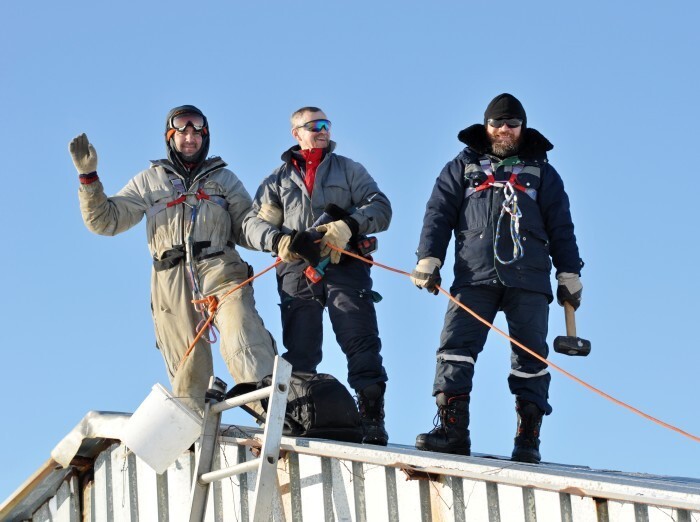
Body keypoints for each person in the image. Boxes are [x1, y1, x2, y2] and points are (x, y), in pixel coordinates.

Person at [68, 105, 277, 415]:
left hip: (220, 270)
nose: (189, 138)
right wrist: (88, 178)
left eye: (196, 132)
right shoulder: (150, 181)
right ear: (170, 137)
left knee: (241, 333)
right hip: (170, 281)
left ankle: (271, 412)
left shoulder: (224, 179)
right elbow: (105, 220)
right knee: (186, 366)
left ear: (205, 137)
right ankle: (193, 435)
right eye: (182, 132)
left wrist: (276, 236)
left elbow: (247, 225)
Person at [410, 93, 583, 463]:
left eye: (512, 124)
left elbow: (562, 227)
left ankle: (528, 438)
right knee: (455, 349)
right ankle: (453, 430)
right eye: (498, 123)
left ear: (522, 128)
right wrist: (429, 257)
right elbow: (438, 213)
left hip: (529, 280)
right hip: (474, 277)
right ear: (486, 127)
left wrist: (569, 272)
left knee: (531, 358)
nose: (505, 129)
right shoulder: (461, 167)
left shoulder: (543, 174)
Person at [242, 107, 392, 445]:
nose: (323, 131)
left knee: (359, 335)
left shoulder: (350, 169)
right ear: (296, 133)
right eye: (314, 126)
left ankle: (371, 417)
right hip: (297, 269)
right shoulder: (276, 182)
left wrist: (348, 225)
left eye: (326, 124)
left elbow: (380, 207)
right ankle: (303, 416)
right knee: (301, 348)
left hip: (346, 262)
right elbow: (253, 225)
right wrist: (282, 241)